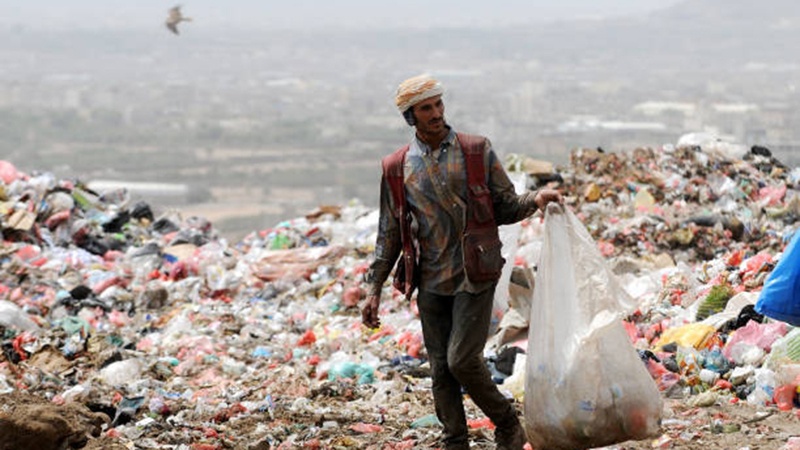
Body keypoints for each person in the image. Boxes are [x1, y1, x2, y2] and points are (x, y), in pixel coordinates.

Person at [361, 73, 563, 450]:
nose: (436, 113)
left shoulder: (475, 151)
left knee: (461, 360)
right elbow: (389, 232)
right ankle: (455, 439)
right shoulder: (396, 167)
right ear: (411, 116)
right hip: (431, 280)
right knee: (440, 369)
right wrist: (373, 289)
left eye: (438, 104)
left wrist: (536, 200)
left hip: (475, 273)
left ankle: (507, 422)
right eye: (426, 108)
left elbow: (503, 205)